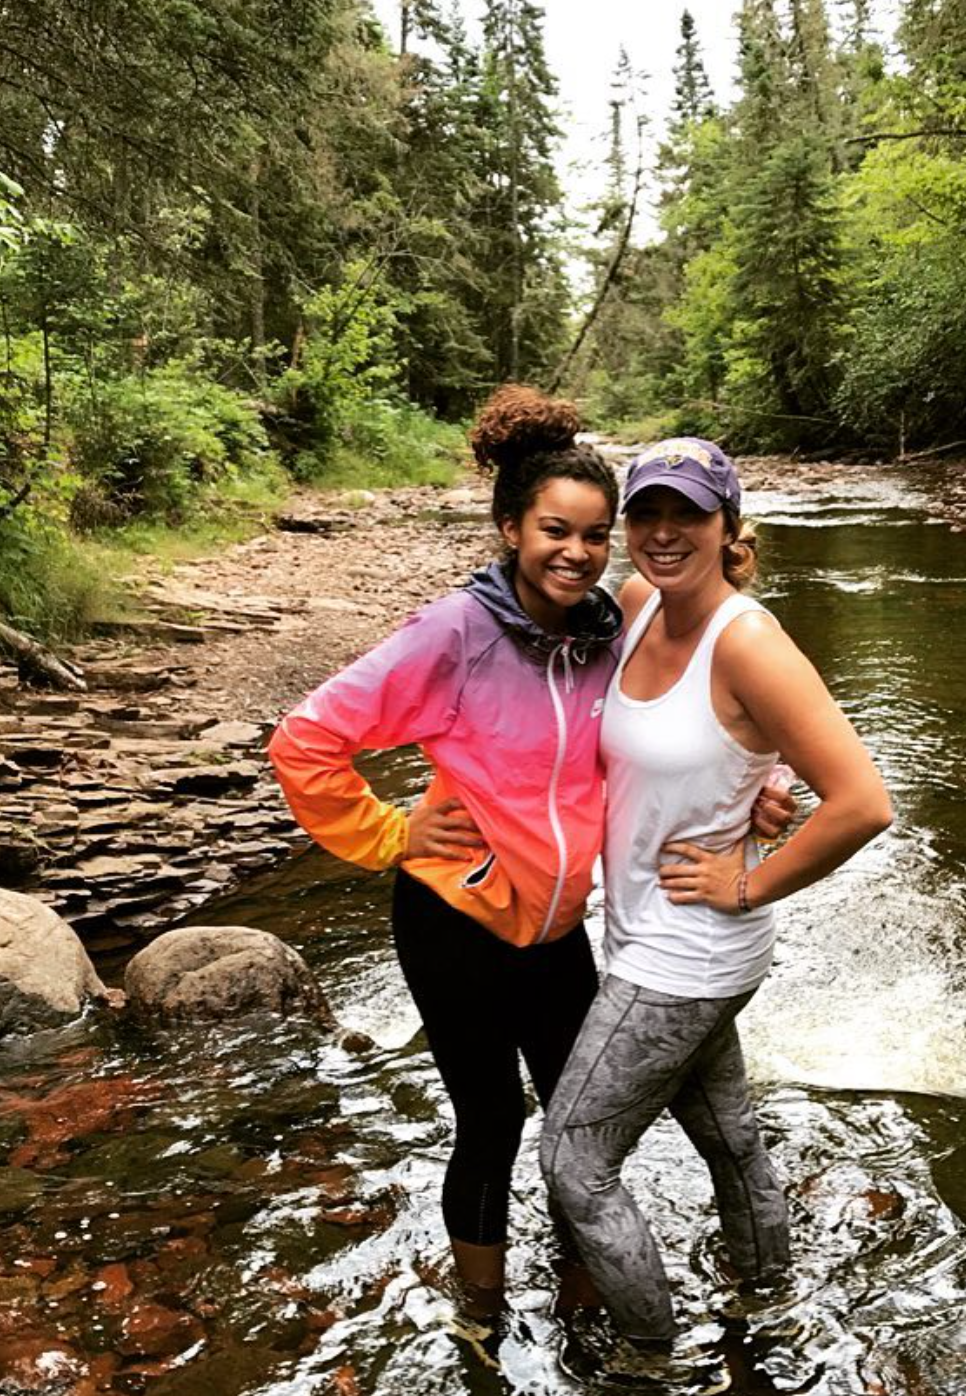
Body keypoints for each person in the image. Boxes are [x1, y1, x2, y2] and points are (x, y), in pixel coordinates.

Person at [267, 391, 791, 1314]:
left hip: (555, 927)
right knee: (493, 1121)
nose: (576, 553)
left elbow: (689, 709)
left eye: (595, 536)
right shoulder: (453, 634)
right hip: (454, 918)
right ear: (511, 527)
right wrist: (389, 832)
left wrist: (763, 784)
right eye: (556, 530)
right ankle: (483, 1313)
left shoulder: (606, 628)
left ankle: (585, 1297)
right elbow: (306, 739)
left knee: (578, 1124)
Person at [540, 436, 894, 1348]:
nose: (663, 533)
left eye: (687, 515)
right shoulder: (633, 601)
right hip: (644, 929)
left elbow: (862, 802)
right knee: (728, 1133)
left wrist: (749, 883)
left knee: (575, 1162)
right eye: (647, 512)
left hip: (690, 949)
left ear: (728, 527)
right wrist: (758, 787)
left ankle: (652, 1362)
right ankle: (769, 1298)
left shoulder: (751, 642)